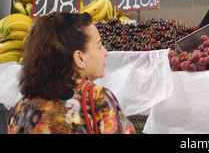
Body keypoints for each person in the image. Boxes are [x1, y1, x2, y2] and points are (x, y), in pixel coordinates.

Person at [7, 12, 135, 134]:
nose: (105, 52)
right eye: (99, 46)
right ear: (79, 58)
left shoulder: (20, 108)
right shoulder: (97, 98)